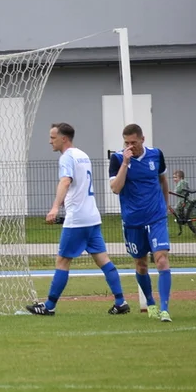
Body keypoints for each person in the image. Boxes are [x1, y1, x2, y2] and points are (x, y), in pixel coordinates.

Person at [26, 123, 128, 316]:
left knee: (62, 260)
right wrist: (67, 199)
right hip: (92, 216)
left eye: (53, 137)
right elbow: (80, 184)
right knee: (103, 259)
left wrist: (55, 207)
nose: (50, 141)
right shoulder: (83, 155)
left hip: (78, 219)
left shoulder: (66, 157)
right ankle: (120, 301)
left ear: (64, 138)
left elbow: (66, 181)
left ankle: (49, 306)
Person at [110, 123, 174, 323]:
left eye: (134, 142)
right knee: (141, 264)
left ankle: (165, 310)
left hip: (156, 217)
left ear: (142, 139)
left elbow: (162, 179)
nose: (130, 146)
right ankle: (151, 303)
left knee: (161, 259)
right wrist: (125, 164)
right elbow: (115, 188)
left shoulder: (156, 155)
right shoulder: (118, 158)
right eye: (126, 142)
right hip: (133, 221)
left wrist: (165, 204)